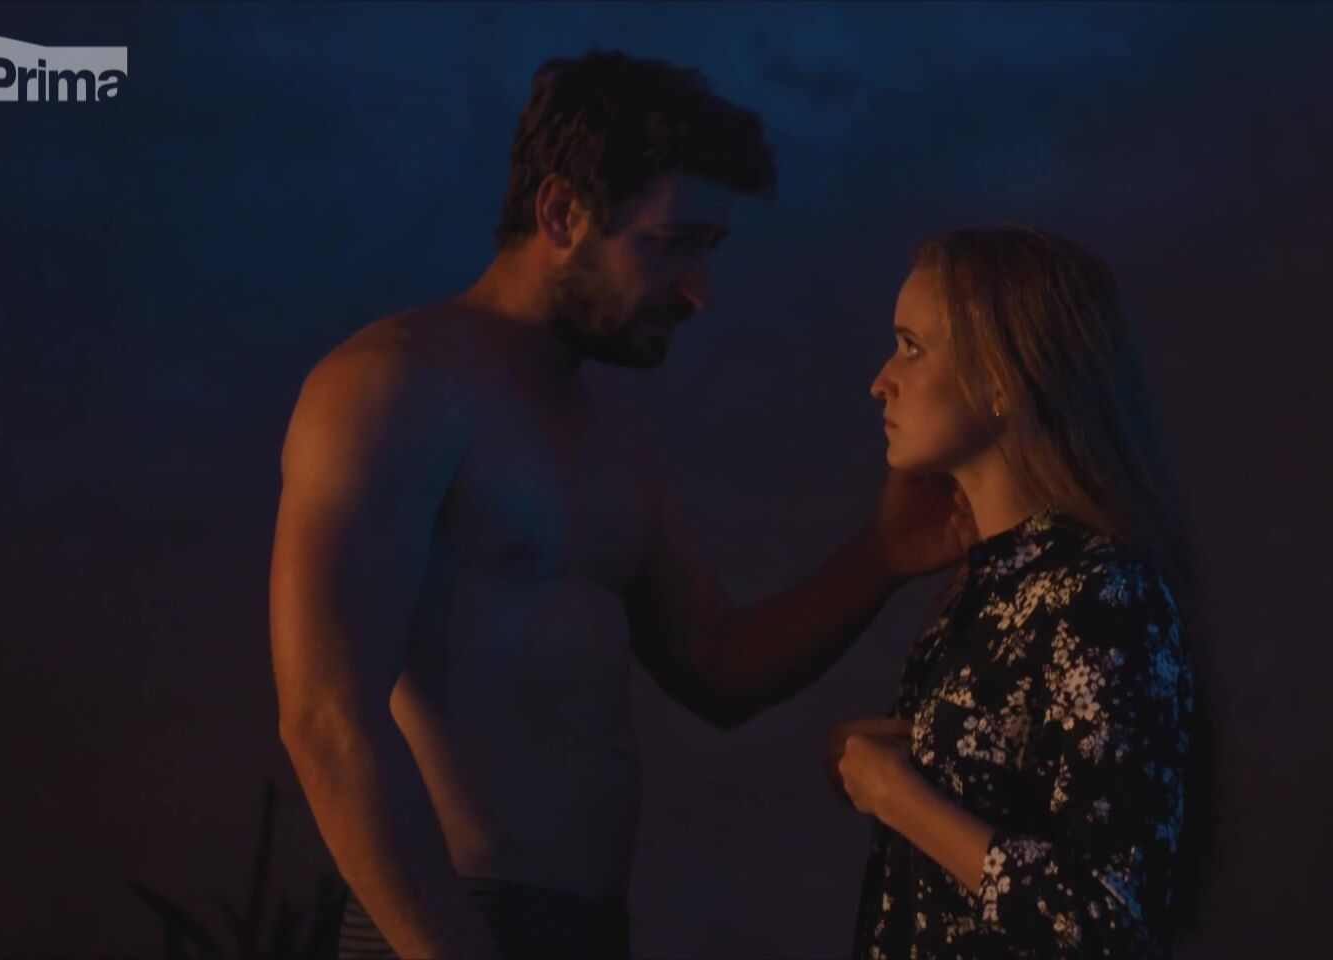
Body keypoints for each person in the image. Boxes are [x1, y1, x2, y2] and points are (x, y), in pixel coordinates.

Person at [268, 50, 972, 960]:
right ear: (561, 212)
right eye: (673, 243)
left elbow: (717, 669)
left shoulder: (612, 430)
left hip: (590, 930)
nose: (698, 291)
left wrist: (881, 553)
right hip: (439, 930)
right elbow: (327, 721)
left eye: (709, 251)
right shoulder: (389, 387)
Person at [828, 226, 1214, 959]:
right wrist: (884, 760)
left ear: (1003, 381)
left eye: (911, 347)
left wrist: (901, 799)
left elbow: (1110, 920)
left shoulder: (1107, 596)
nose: (881, 380)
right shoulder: (987, 589)